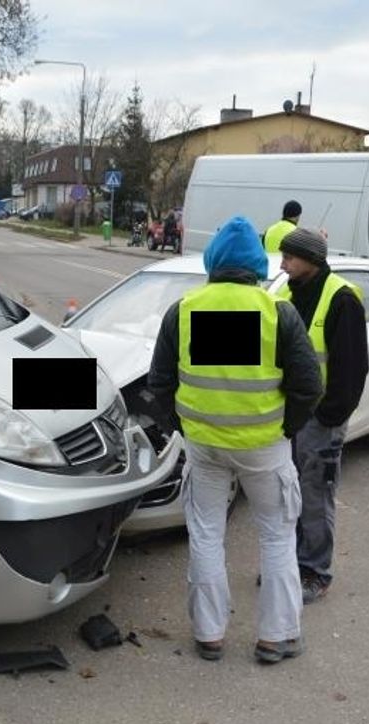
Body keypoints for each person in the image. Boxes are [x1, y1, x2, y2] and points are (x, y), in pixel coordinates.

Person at [148, 216, 322, 664]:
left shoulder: (184, 310)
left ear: (212, 263)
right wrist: (287, 428)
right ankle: (276, 637)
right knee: (277, 537)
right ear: (255, 266)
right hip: (265, 447)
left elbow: (160, 383)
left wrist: (182, 427)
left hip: (204, 446)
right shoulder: (275, 312)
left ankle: (209, 634)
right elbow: (308, 385)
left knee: (206, 534)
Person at [277, 227, 369, 604]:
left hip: (320, 419)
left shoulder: (342, 299)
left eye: (290, 257)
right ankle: (288, 567)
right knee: (287, 496)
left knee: (315, 496)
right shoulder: (284, 294)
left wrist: (330, 416)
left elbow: (352, 368)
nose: (283, 264)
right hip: (288, 416)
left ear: (311, 260)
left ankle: (315, 571)